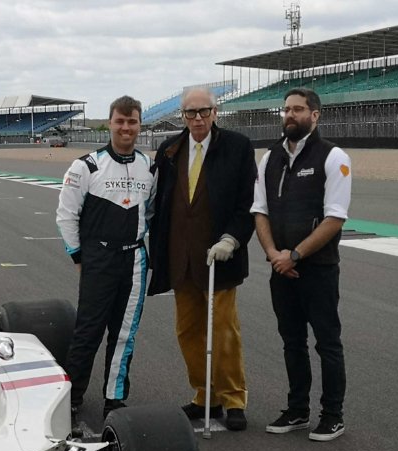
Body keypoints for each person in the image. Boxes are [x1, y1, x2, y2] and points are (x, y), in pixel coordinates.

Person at [148, 88, 256, 432]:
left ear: (215, 112)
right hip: (181, 258)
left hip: (219, 258)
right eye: (190, 113)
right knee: (187, 331)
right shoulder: (169, 150)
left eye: (203, 112)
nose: (197, 119)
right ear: (182, 116)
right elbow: (159, 203)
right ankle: (205, 394)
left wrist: (232, 238)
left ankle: (233, 397)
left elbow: (247, 202)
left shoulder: (237, 147)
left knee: (223, 331)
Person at [251, 88, 352, 442]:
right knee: (291, 341)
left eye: (297, 109)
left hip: (318, 269)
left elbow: (334, 218)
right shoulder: (270, 158)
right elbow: (259, 211)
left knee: (327, 343)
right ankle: (297, 409)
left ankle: (333, 415)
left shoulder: (333, 157)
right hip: (281, 269)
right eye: (286, 110)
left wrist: (294, 255)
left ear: (315, 115)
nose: (290, 115)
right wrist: (275, 254)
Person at [56, 95, 157, 420]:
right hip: (98, 257)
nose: (126, 127)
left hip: (135, 260)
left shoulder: (149, 167)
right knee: (89, 329)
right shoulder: (86, 165)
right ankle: (72, 395)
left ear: (140, 125)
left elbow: (152, 213)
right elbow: (66, 216)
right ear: (110, 123)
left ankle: (114, 397)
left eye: (132, 122)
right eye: (120, 121)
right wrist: (79, 257)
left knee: (125, 332)